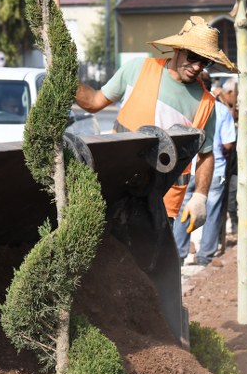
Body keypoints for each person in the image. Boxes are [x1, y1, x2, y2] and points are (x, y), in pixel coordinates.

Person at [75, 16, 227, 255]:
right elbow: (94, 102)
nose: (197, 66)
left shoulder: (206, 103)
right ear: (178, 48)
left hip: (161, 206)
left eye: (205, 62)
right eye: (194, 57)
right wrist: (64, 78)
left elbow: (206, 155)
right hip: (117, 190)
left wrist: (200, 197)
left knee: (151, 270)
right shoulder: (138, 70)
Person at [191, 78, 238, 269]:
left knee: (184, 211)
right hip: (213, 169)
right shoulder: (220, 110)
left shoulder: (189, 106)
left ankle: (179, 251)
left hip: (187, 168)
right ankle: (205, 254)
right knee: (211, 212)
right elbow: (228, 143)